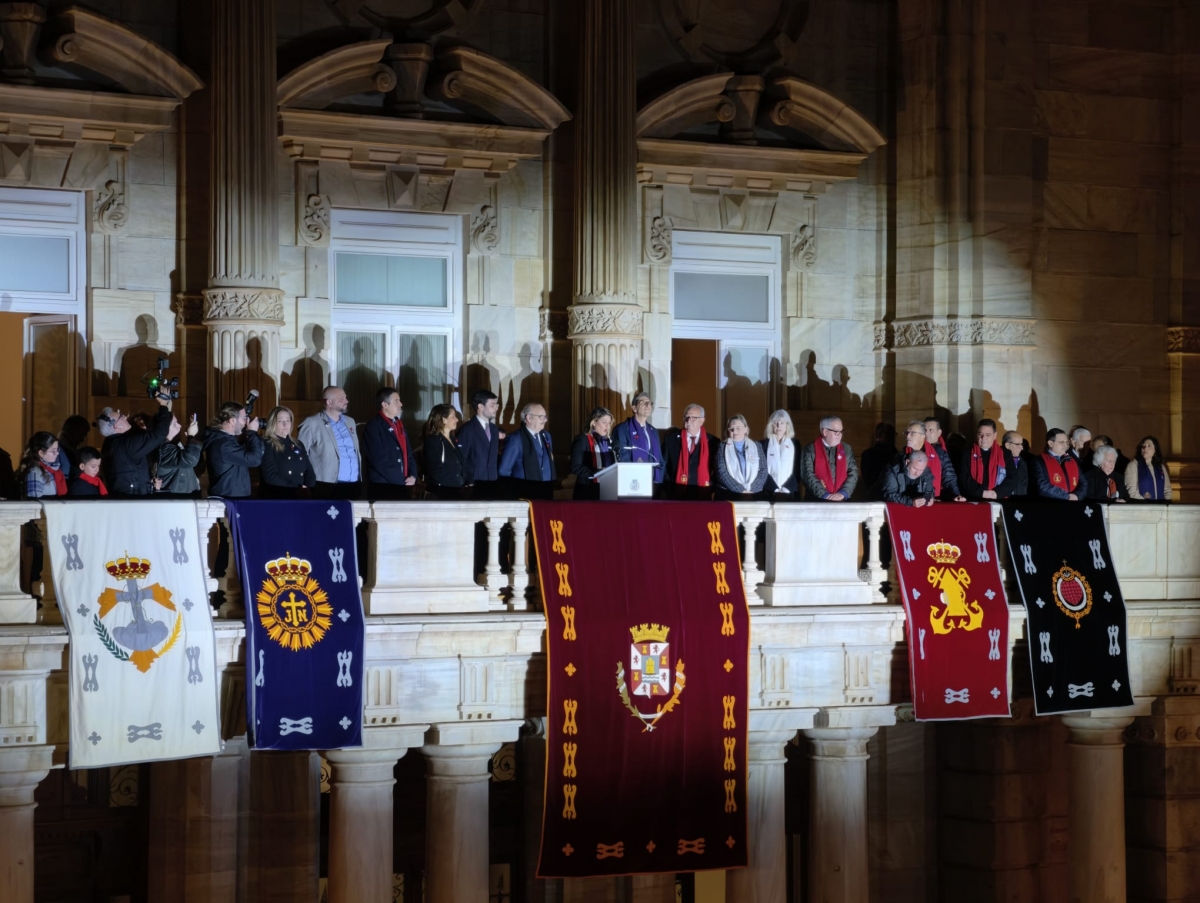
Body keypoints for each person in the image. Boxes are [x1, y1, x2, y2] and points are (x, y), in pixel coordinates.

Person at [99, 401, 178, 496]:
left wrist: (147, 482)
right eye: (121, 417)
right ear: (116, 426)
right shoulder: (126, 444)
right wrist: (163, 406)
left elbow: (127, 473)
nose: (125, 417)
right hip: (133, 502)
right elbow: (159, 434)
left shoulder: (110, 444)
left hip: (126, 499)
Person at [298, 386, 362, 499]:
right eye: (341, 398)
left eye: (345, 397)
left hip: (353, 483)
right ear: (329, 402)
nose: (346, 401)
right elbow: (300, 454)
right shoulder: (312, 423)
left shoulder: (350, 421)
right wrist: (303, 481)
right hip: (326, 484)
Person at [362, 386, 418, 501]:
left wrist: (413, 476)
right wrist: (400, 480)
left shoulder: (399, 425)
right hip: (384, 485)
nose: (400, 404)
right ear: (384, 405)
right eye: (396, 401)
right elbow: (378, 459)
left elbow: (408, 454)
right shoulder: (374, 426)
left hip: (403, 484)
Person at [203, 401, 264, 499]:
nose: (246, 422)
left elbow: (258, 452)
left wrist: (251, 435)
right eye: (244, 418)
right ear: (232, 421)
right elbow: (254, 460)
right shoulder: (223, 445)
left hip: (233, 496)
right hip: (228, 499)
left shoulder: (229, 441)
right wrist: (252, 432)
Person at [499, 403, 556, 500]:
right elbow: (504, 470)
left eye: (545, 417)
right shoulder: (515, 439)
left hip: (546, 490)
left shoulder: (546, 436)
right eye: (541, 417)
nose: (545, 420)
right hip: (524, 491)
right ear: (528, 418)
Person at [661, 404, 718, 500]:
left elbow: (717, 470)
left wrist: (710, 486)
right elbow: (663, 465)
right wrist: (670, 485)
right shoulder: (671, 440)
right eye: (686, 417)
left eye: (693, 418)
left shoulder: (713, 442)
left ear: (702, 420)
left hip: (703, 495)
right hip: (676, 495)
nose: (688, 421)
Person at [259, 406, 316, 499]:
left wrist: (308, 487)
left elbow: (309, 470)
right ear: (272, 423)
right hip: (278, 495)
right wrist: (297, 487)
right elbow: (271, 476)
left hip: (301, 495)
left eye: (288, 420)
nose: (285, 424)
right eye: (280, 421)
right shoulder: (267, 443)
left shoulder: (298, 444)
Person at [457, 389, 504, 498]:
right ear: (480, 406)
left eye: (496, 405)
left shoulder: (493, 429)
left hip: (493, 482)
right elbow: (461, 458)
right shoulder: (467, 429)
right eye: (492, 405)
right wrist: (468, 481)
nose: (496, 408)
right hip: (474, 484)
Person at [800, 415, 858, 501]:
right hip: (817, 501)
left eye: (841, 431)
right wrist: (825, 495)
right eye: (836, 432)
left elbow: (853, 473)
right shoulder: (810, 449)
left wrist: (843, 493)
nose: (840, 435)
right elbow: (807, 475)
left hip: (842, 500)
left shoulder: (847, 449)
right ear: (825, 432)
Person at [613, 392, 664, 489]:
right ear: (634, 408)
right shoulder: (622, 429)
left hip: (654, 482)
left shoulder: (653, 431)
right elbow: (623, 458)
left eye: (649, 403)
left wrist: (659, 480)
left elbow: (659, 459)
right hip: (632, 482)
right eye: (643, 403)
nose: (648, 405)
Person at [715, 414, 767, 500]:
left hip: (753, 494)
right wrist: (741, 490)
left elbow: (763, 470)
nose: (735, 432)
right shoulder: (722, 447)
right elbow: (721, 472)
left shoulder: (757, 446)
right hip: (729, 494)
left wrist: (751, 490)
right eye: (731, 429)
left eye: (738, 428)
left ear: (746, 429)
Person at [960, 419, 1014, 501]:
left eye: (988, 435)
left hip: (999, 498)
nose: (983, 438)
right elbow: (964, 477)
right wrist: (982, 492)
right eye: (980, 434)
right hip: (974, 498)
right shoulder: (967, 453)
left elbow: (1012, 478)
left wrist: (996, 493)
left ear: (995, 435)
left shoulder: (1005, 454)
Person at [422, 403, 467, 499]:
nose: (457, 420)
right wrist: (454, 483)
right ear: (444, 419)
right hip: (442, 493)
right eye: (453, 416)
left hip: (456, 490)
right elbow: (435, 470)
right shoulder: (433, 441)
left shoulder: (453, 439)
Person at [569, 406, 615, 500]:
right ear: (594, 422)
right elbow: (575, 467)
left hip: (607, 489)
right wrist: (597, 472)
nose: (607, 426)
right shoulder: (582, 439)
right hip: (587, 490)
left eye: (609, 423)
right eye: (604, 422)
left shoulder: (608, 442)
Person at [156, 414, 202, 498]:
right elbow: (190, 460)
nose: (179, 425)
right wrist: (191, 436)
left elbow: (198, 464)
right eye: (175, 423)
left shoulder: (172, 445)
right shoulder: (163, 449)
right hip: (176, 500)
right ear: (164, 428)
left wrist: (189, 439)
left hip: (183, 498)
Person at [1036, 428, 1087, 500]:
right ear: (1050, 443)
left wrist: (1077, 495)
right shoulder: (1039, 461)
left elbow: (1083, 482)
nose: (1065, 445)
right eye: (1061, 442)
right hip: (1051, 504)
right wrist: (1066, 496)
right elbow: (1042, 485)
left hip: (1074, 502)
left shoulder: (1071, 460)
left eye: (1066, 442)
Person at [921, 417, 964, 501]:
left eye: (931, 430)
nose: (927, 433)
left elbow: (949, 477)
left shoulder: (942, 452)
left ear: (939, 432)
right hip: (917, 496)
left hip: (936, 498)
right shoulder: (914, 449)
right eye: (924, 430)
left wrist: (955, 495)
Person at [760, 409, 799, 498]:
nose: (779, 426)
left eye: (782, 423)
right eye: (775, 423)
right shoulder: (762, 445)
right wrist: (774, 489)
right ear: (771, 425)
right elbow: (761, 470)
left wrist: (786, 489)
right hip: (768, 492)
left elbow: (797, 470)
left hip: (790, 491)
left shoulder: (795, 444)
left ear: (787, 425)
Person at [1126, 435, 1172, 501]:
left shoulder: (1161, 467)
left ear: (1155, 450)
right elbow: (1131, 491)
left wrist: (1165, 505)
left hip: (1160, 509)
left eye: (1149, 446)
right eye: (1143, 446)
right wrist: (1148, 506)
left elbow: (1167, 490)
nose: (1145, 448)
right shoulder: (1133, 465)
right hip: (1142, 508)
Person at [21, 432, 66, 499]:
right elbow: (34, 501)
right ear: (41, 453)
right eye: (53, 451)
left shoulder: (53, 470)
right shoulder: (35, 472)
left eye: (57, 450)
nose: (57, 453)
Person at [859, 422, 897, 495]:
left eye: (893, 434)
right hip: (876, 493)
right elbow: (869, 480)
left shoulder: (897, 454)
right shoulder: (868, 455)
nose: (892, 437)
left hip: (894, 494)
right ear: (879, 435)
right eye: (888, 433)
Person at [57, 414, 90, 479]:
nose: (82, 440)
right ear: (73, 430)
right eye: (81, 434)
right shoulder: (56, 451)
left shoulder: (72, 451)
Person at [1001, 430, 1030, 497]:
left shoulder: (1022, 463)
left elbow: (1023, 487)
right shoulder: (997, 460)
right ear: (1007, 445)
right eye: (1018, 444)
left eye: (1021, 444)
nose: (1022, 448)